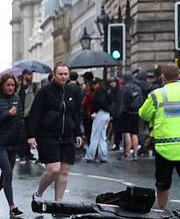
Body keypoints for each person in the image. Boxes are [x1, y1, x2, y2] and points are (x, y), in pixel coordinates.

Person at [138, 63, 180, 219]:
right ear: (179, 77)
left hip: (164, 147)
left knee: (162, 184)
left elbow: (143, 114)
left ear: (162, 77)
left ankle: (162, 212)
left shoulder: (156, 94)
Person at [27, 63, 82, 202]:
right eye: (60, 74)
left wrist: (78, 133)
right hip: (48, 135)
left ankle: (58, 204)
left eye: (65, 74)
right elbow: (35, 113)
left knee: (64, 171)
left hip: (67, 135)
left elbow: (76, 113)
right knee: (54, 169)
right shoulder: (44, 91)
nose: (63, 77)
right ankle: (38, 194)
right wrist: (31, 135)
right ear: (54, 75)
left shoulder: (73, 91)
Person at [0, 75, 25, 218]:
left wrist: (23, 140)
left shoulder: (16, 98)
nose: (11, 88)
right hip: (0, 143)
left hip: (13, 142)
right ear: (2, 85)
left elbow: (21, 119)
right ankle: (12, 207)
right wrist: (7, 114)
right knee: (8, 172)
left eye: (12, 85)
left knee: (5, 175)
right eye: (8, 85)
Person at [83, 78, 111, 163]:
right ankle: (103, 156)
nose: (94, 85)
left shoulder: (99, 92)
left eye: (95, 83)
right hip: (106, 114)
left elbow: (98, 103)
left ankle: (90, 156)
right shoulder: (104, 91)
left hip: (100, 114)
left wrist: (93, 111)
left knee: (94, 136)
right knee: (102, 136)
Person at [119, 71, 143, 161]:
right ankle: (135, 154)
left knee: (127, 133)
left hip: (127, 113)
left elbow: (121, 102)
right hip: (136, 112)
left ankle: (128, 153)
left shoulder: (124, 88)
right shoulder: (137, 88)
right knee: (135, 134)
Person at [16, 69, 36, 162]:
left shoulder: (34, 86)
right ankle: (22, 154)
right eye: (29, 74)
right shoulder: (18, 86)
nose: (31, 76)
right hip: (19, 114)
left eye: (31, 74)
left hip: (30, 114)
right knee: (21, 136)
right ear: (24, 75)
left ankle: (28, 154)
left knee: (29, 134)